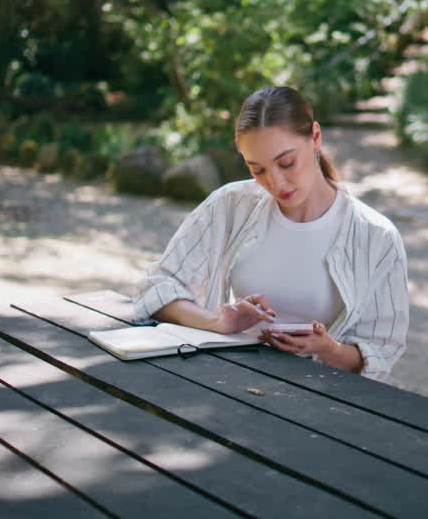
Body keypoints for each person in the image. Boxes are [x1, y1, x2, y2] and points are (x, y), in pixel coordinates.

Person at [133, 86, 409, 380]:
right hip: (231, 383)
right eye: (257, 169)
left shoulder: (376, 236)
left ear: (315, 137)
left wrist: (329, 349)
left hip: (326, 402)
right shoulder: (229, 205)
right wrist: (218, 321)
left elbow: (381, 351)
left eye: (286, 163)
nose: (275, 182)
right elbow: (156, 288)